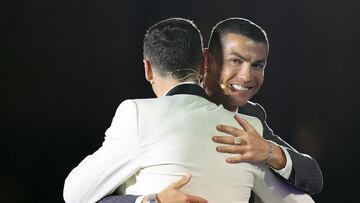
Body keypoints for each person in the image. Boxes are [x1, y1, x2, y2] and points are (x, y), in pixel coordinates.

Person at [63, 18, 314, 203]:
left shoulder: (138, 115)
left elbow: (74, 195)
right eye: (237, 61)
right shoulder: (247, 129)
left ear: (148, 69)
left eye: (257, 65)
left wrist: (150, 201)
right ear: (204, 62)